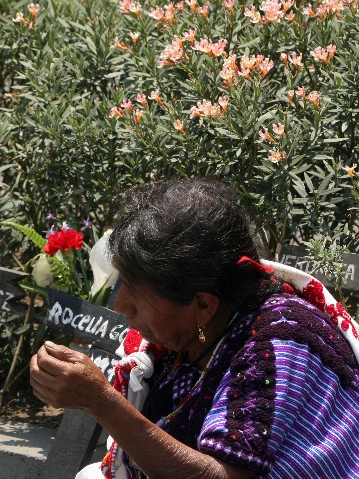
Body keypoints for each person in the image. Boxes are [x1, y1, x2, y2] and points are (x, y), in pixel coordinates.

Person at [30, 178, 359, 478]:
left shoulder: (277, 341)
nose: (120, 306)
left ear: (203, 306)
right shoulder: (188, 339)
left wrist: (100, 402)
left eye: (136, 290)